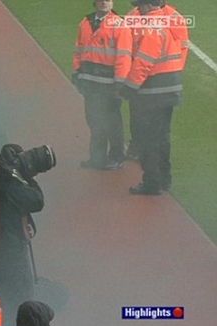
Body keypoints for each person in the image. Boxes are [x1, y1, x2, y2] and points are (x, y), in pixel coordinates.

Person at [0, 144, 45, 326]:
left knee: (2, 292)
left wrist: (12, 172)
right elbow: (38, 200)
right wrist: (24, 176)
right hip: (11, 253)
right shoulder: (10, 187)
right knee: (23, 297)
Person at [121, 0, 183, 195]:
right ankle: (165, 179)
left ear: (146, 6)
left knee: (149, 140)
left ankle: (151, 183)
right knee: (162, 138)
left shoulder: (150, 27)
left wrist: (129, 88)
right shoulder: (165, 23)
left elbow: (143, 62)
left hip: (153, 93)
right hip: (170, 89)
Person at [72, 0, 131, 170]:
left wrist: (120, 83)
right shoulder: (85, 23)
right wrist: (77, 72)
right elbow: (78, 50)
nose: (105, 2)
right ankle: (97, 158)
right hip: (91, 84)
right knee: (94, 120)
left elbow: (123, 57)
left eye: (109, 0)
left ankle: (116, 157)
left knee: (112, 123)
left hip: (109, 85)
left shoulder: (119, 25)